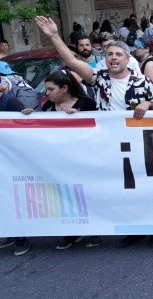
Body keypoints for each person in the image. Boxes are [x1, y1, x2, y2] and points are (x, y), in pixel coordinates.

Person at [35, 16, 153, 248]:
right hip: (109, 143)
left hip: (138, 142)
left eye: (118, 55)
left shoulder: (142, 82)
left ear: (127, 59)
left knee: (143, 185)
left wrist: (147, 105)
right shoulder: (99, 78)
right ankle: (133, 229)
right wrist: (54, 35)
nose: (113, 58)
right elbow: (73, 64)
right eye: (110, 54)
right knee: (121, 187)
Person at [20, 69, 101, 250]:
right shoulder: (48, 107)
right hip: (60, 161)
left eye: (50, 89)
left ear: (64, 88)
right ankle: (73, 231)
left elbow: (99, 128)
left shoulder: (86, 103)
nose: (46, 93)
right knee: (66, 196)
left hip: (84, 158)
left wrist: (78, 117)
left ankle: (95, 230)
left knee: (88, 194)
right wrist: (27, 117)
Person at [0, 69, 31, 256]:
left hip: (9, 160)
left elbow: (22, 126)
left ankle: (22, 238)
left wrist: (26, 116)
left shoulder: (8, 101)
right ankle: (9, 232)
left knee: (13, 197)